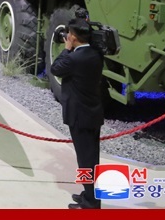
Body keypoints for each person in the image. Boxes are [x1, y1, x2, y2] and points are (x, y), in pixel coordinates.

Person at [50, 19, 104, 209]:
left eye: (69, 34)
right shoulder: (96, 54)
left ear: (73, 37)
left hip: (79, 115)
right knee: (91, 157)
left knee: (85, 159)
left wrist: (66, 49)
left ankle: (91, 202)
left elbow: (55, 68)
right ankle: (89, 194)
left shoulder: (74, 59)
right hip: (92, 112)